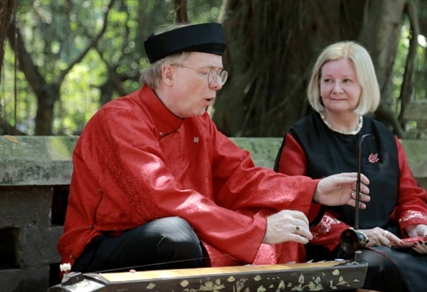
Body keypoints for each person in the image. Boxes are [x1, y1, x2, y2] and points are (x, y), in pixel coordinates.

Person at [57, 23, 372, 274]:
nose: (217, 84)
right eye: (208, 73)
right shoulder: (119, 119)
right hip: (103, 247)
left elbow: (241, 178)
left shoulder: (198, 122)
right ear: (168, 74)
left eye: (220, 74)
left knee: (277, 216)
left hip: (188, 236)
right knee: (175, 234)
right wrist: (257, 230)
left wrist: (314, 190)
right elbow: (160, 200)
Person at [274, 41, 427, 291]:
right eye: (328, 81)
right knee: (382, 268)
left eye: (346, 81)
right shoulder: (301, 137)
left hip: (393, 239)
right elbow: (292, 203)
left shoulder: (384, 137)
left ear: (364, 85)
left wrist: (419, 227)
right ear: (318, 84)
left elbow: (409, 196)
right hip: (336, 245)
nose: (336, 89)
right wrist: (356, 235)